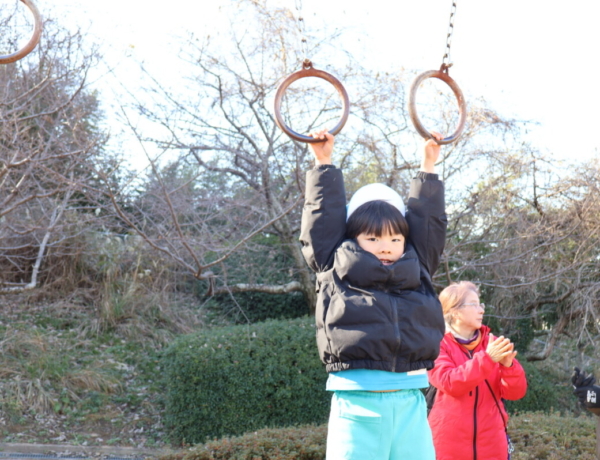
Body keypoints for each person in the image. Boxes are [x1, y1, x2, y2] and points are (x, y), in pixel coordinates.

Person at [300, 129, 447, 460]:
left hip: (410, 400)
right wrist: (323, 162)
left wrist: (428, 166)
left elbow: (428, 223)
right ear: (353, 238)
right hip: (357, 401)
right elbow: (322, 219)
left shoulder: (418, 266)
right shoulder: (334, 264)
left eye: (395, 239)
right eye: (373, 239)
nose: (385, 247)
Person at [427, 281, 527, 460]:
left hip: (493, 446)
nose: (481, 310)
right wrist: (488, 359)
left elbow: (515, 393)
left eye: (481, 305)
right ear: (454, 311)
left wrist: (509, 368)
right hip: (448, 447)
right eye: (473, 305)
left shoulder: (492, 343)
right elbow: (449, 382)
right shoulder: (437, 344)